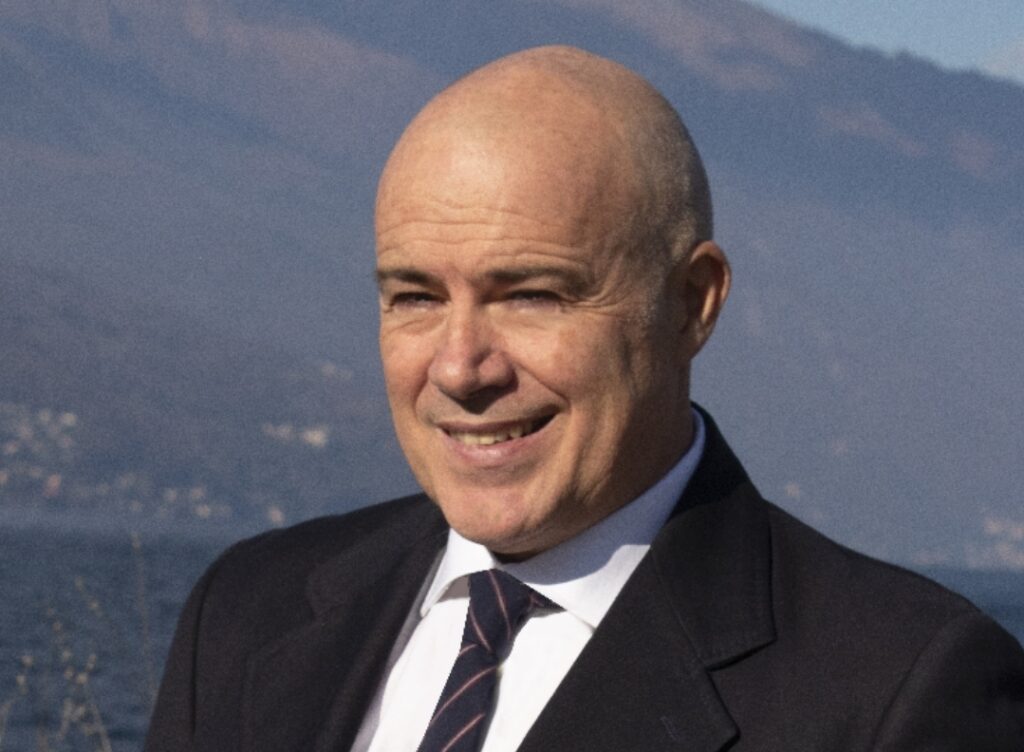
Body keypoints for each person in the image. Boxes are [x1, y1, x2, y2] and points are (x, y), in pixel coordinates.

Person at [145, 46, 1024, 751]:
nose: (460, 367)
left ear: (692, 303)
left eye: (531, 295)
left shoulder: (898, 694)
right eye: (415, 296)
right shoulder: (248, 611)